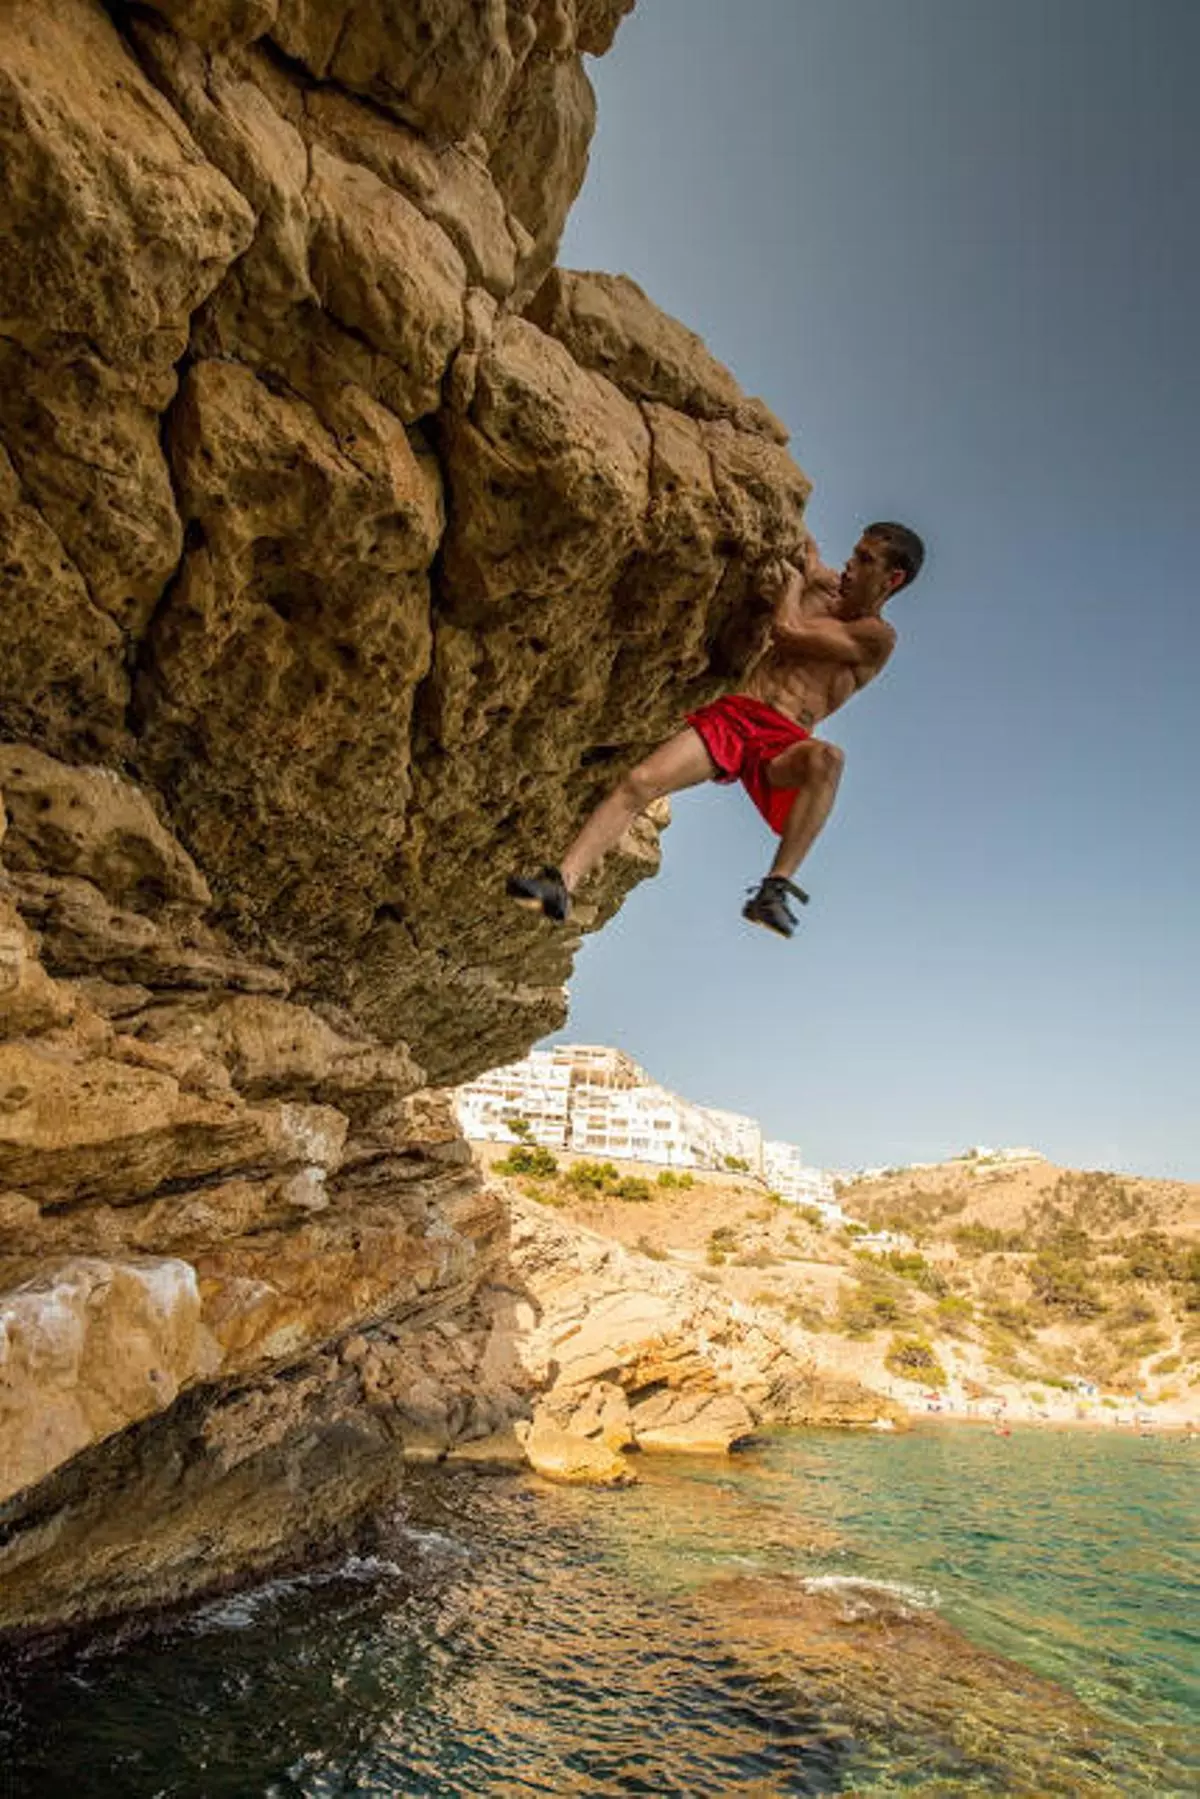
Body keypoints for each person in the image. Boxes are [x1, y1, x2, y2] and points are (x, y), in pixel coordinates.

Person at [507, 520, 925, 939]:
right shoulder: (825, 583)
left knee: (829, 759)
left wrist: (793, 587)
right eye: (854, 553)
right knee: (640, 781)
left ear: (892, 579)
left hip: (782, 745)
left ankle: (774, 890)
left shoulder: (877, 637)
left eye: (865, 560)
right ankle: (560, 884)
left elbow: (788, 632)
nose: (850, 564)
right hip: (738, 716)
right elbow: (795, 535)